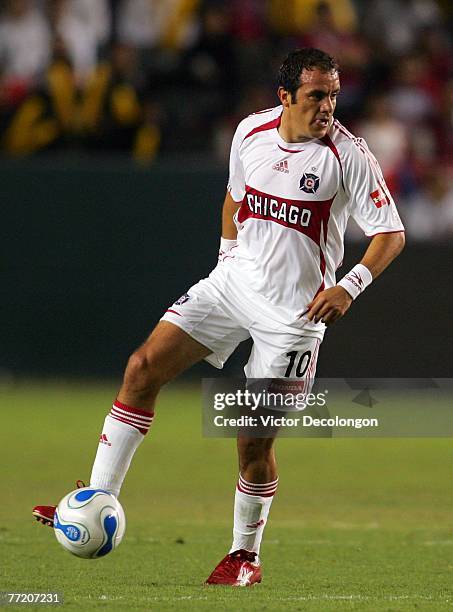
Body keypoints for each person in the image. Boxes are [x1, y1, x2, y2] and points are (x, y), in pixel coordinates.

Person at [33, 48, 405, 586]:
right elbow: (234, 196)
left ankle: (244, 557)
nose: (327, 106)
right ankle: (95, 500)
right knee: (141, 368)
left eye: (333, 94)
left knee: (252, 439)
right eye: (316, 95)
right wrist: (227, 254)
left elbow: (390, 234)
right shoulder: (250, 133)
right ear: (285, 97)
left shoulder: (347, 155)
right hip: (232, 285)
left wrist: (350, 285)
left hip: (292, 317)